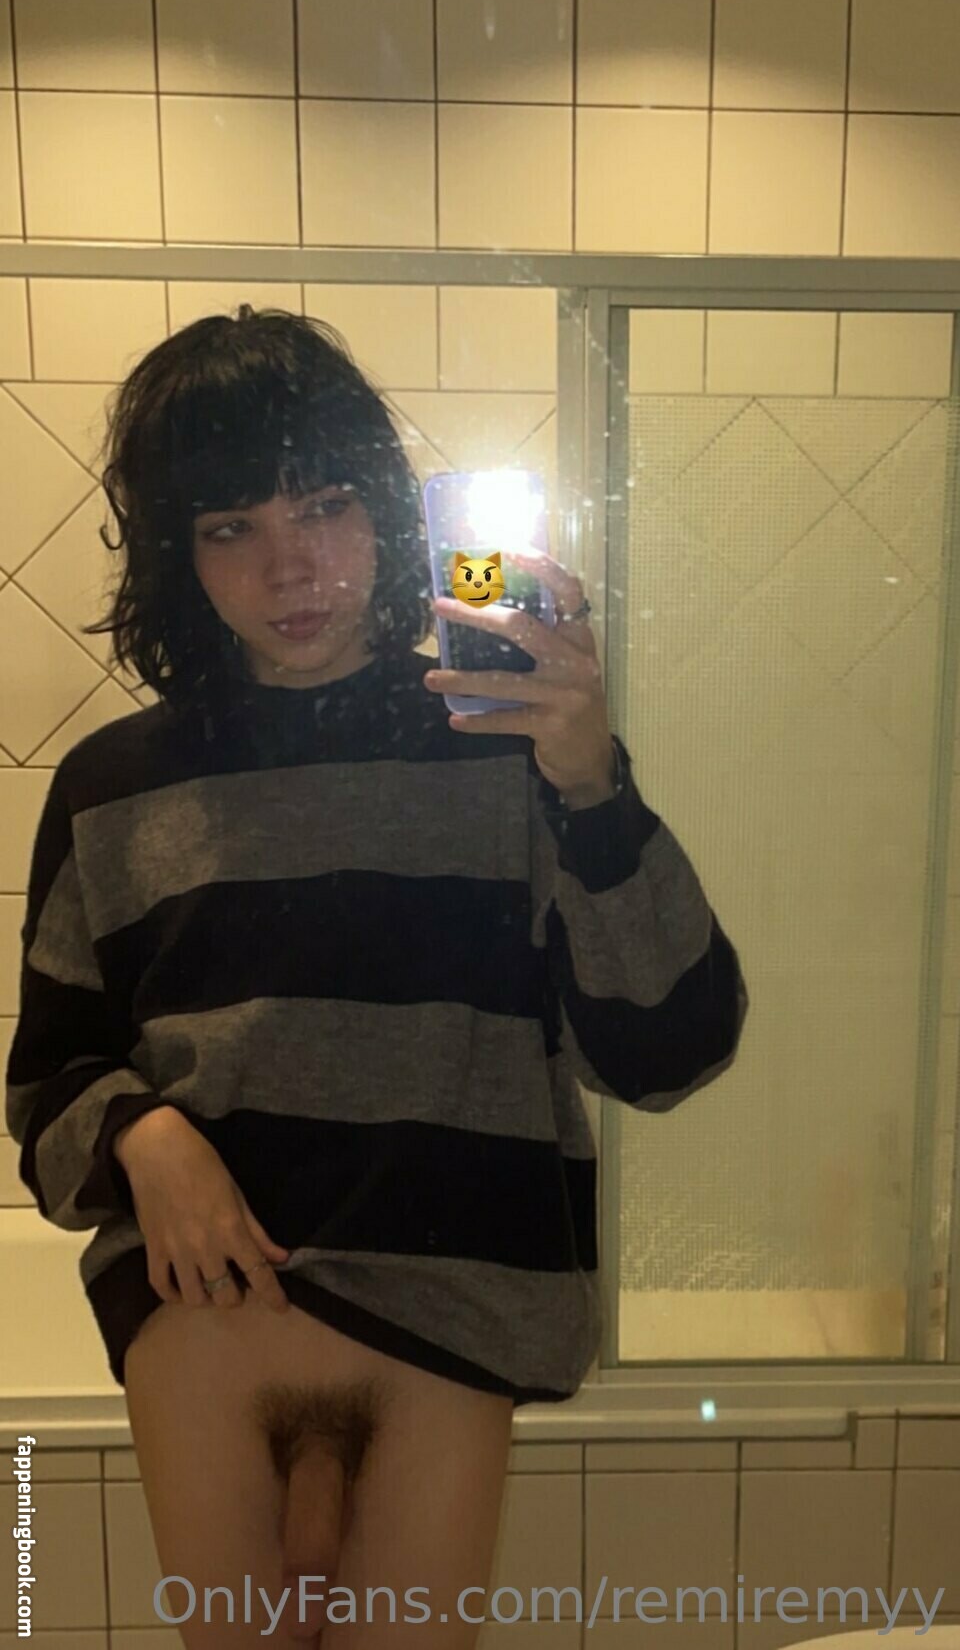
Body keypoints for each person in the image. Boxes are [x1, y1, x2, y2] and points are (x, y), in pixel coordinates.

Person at [5, 305, 750, 1646]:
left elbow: (670, 1049)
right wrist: (143, 1138)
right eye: (231, 526)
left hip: (453, 1308)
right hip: (204, 1313)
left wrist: (592, 787)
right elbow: (46, 1087)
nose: (289, 566)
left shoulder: (510, 745)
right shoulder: (112, 789)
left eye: (325, 508)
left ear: (389, 517)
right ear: (178, 553)